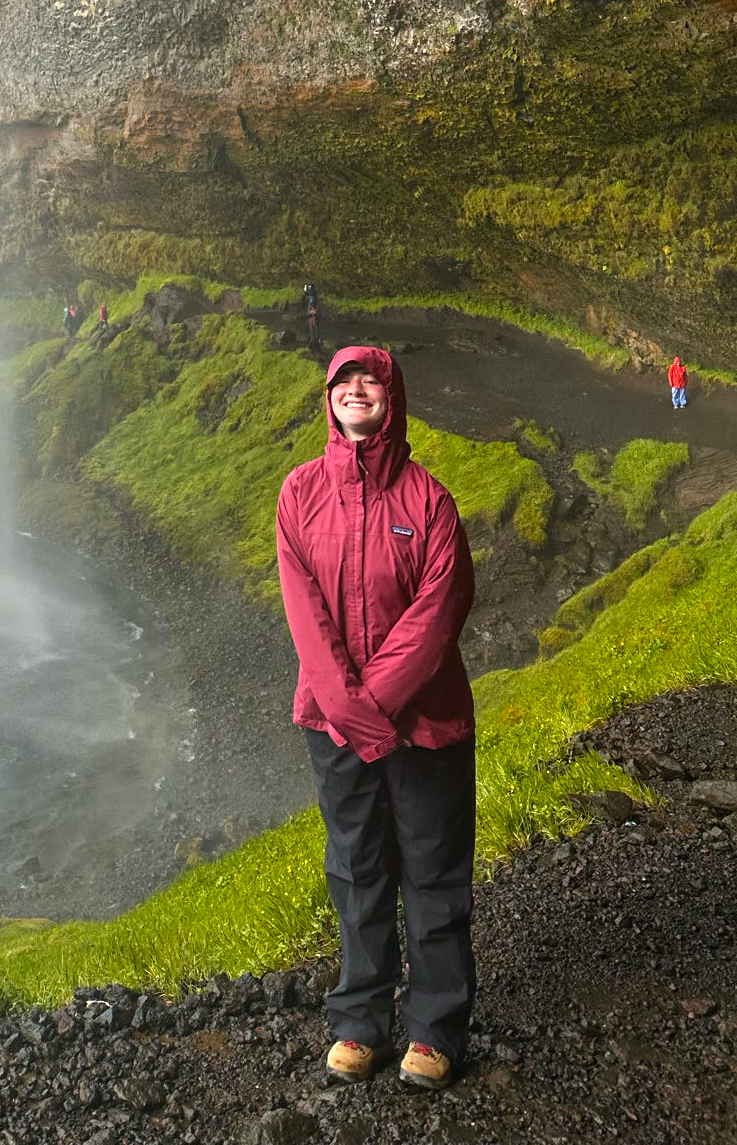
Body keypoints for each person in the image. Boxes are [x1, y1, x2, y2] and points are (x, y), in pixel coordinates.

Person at [277, 346, 476, 1092]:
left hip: (424, 724)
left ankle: (434, 1030)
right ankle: (360, 1023)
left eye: (370, 381)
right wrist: (349, 711)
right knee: (356, 868)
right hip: (333, 721)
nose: (355, 390)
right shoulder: (299, 492)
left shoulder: (430, 501)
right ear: (328, 400)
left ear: (393, 398)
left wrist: (371, 710)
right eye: (343, 382)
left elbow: (441, 610)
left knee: (432, 869)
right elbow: (304, 610)